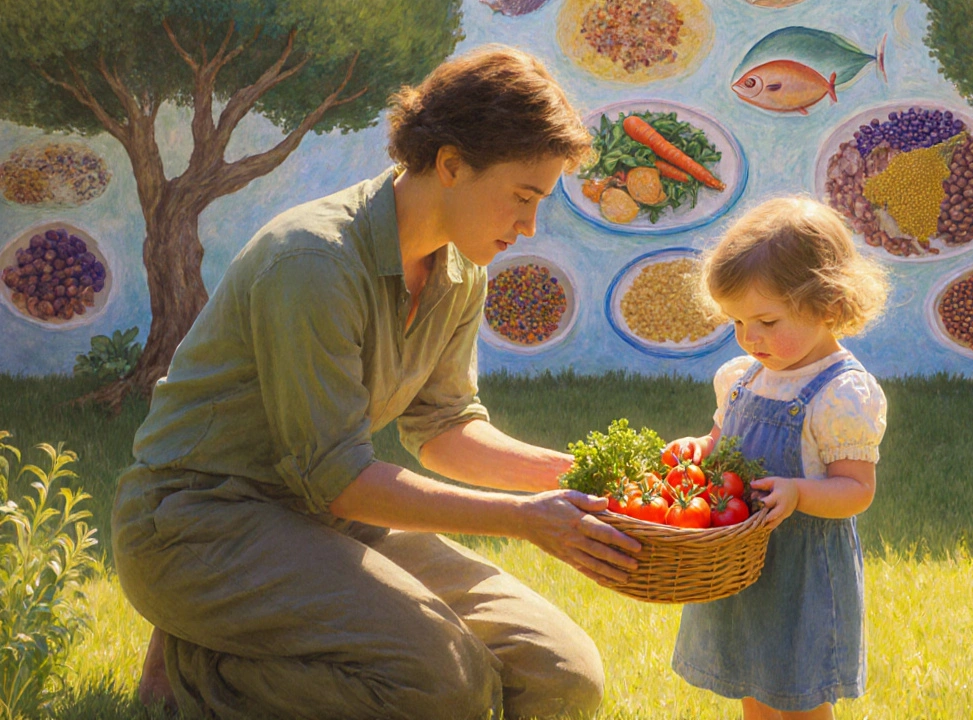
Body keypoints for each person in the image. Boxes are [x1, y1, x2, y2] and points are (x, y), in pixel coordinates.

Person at [111, 45, 642, 720]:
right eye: (522, 196)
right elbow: (334, 476)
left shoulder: (460, 270)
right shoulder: (311, 261)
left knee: (564, 674)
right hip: (196, 529)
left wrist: (577, 478)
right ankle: (201, 668)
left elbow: (444, 428)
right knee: (445, 687)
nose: (529, 226)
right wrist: (522, 521)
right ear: (450, 164)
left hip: (322, 521)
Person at [664, 196, 889, 720]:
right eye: (738, 323)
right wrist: (698, 449)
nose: (750, 337)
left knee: (801, 694)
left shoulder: (841, 394)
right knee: (753, 681)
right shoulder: (743, 375)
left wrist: (800, 492)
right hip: (738, 563)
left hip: (801, 572)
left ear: (828, 305)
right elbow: (722, 444)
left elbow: (857, 490)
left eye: (766, 320)